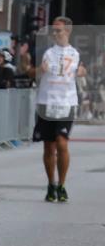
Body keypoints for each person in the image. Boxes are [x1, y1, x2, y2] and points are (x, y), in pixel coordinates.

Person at [29, 17, 80, 203]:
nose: (55, 33)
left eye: (59, 30)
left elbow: (81, 69)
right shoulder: (44, 51)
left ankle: (62, 184)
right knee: (49, 146)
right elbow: (28, 71)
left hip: (67, 103)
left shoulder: (75, 53)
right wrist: (37, 70)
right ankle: (51, 184)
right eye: (54, 30)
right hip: (46, 102)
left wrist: (82, 71)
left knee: (62, 143)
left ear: (68, 31)